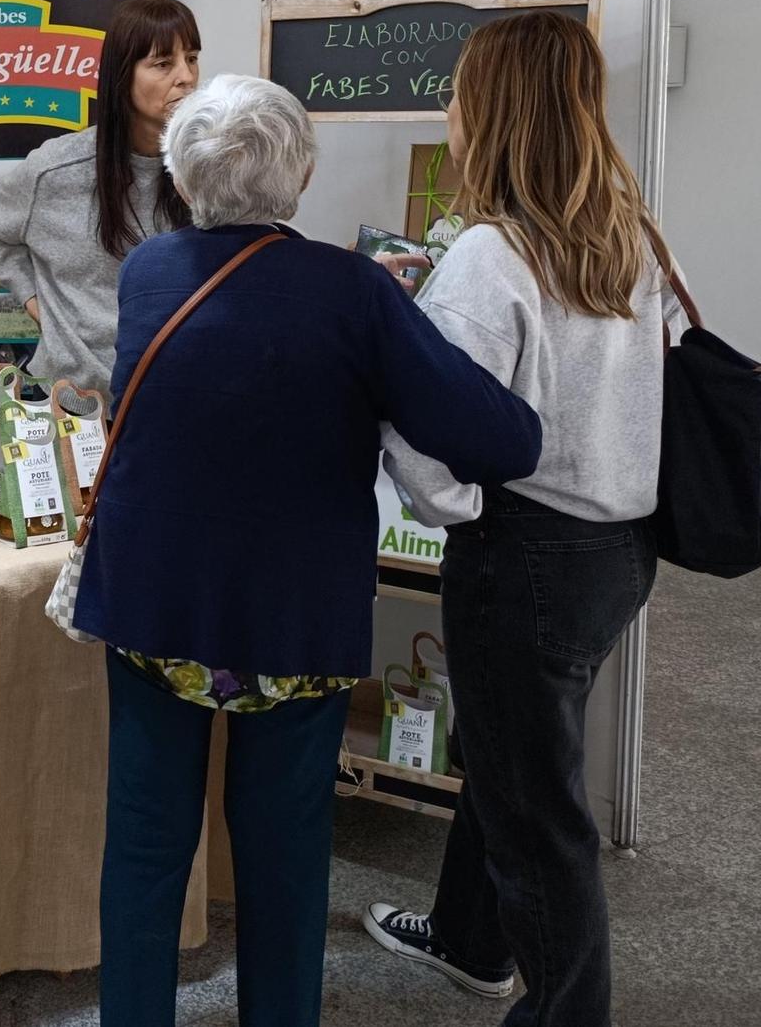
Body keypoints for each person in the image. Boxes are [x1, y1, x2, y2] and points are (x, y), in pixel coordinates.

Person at [71, 74, 544, 1027]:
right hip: (294, 619)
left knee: (146, 850)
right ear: (305, 173)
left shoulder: (149, 272)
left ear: (181, 173)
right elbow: (501, 439)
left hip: (158, 608)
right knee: (285, 856)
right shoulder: (353, 289)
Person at [364, 11, 681, 1027]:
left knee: (537, 811)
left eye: (456, 92)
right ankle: (467, 939)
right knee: (510, 753)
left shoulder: (487, 259)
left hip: (522, 556)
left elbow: (422, 428)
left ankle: (562, 1012)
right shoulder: (629, 237)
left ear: (490, 113)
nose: (446, 111)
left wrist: (454, 510)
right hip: (618, 551)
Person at [0, 0, 200, 396]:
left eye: (192, 58)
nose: (186, 77)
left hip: (167, 398)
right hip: (71, 403)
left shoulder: (204, 172)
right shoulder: (56, 170)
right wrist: (36, 304)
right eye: (163, 63)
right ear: (122, 74)